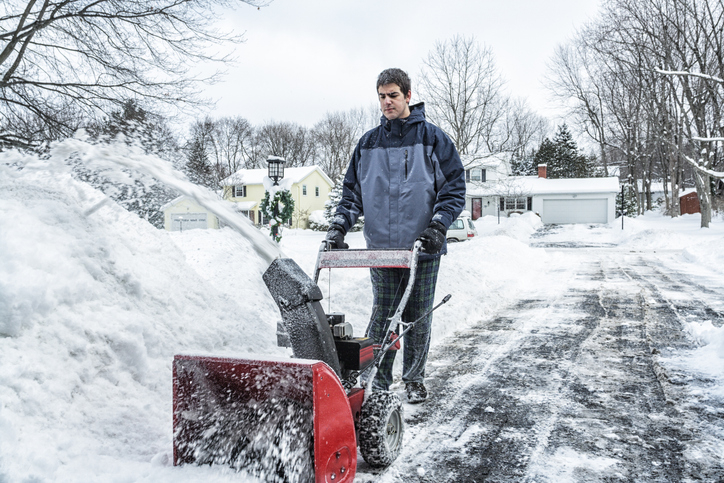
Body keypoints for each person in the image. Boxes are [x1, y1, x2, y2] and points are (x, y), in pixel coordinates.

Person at [326, 68, 466, 403]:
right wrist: (339, 227)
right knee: (384, 316)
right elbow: (352, 194)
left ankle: (414, 378)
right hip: (382, 249)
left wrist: (439, 225)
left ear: (407, 95)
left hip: (423, 248)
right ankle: (378, 380)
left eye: (393, 95)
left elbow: (454, 188)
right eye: (382, 96)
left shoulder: (433, 138)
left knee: (416, 317)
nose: (387, 102)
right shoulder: (368, 143)